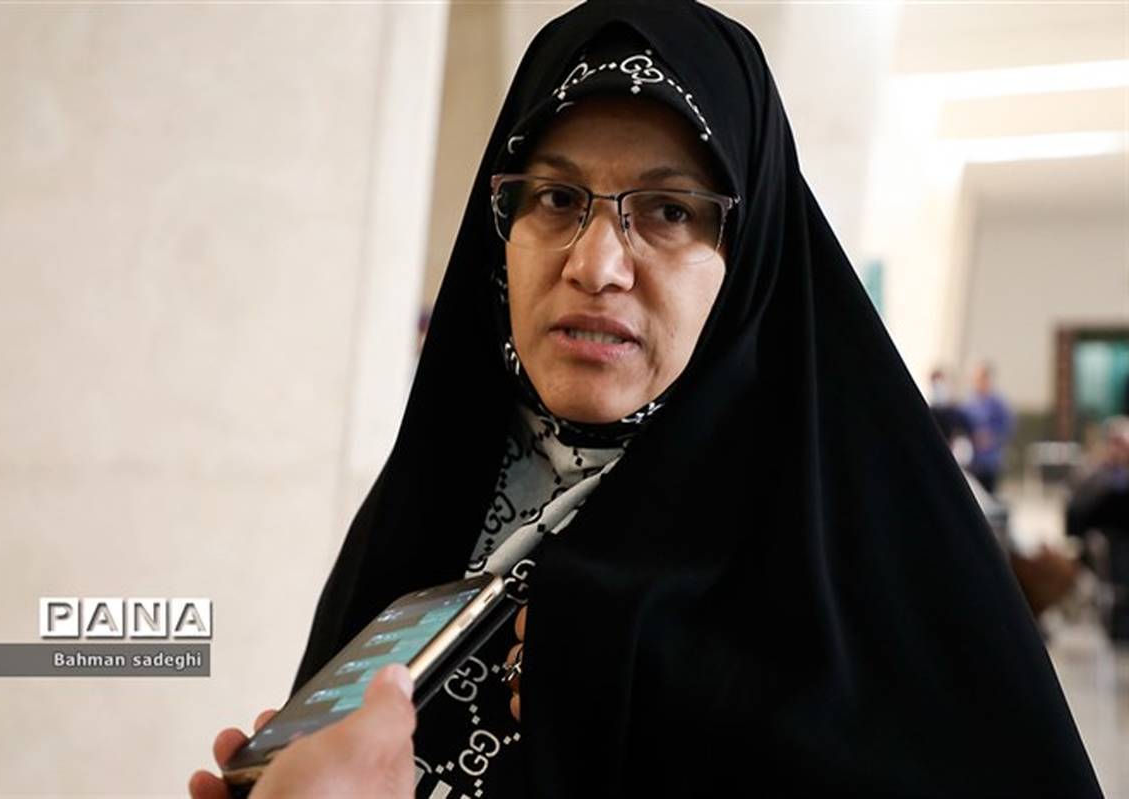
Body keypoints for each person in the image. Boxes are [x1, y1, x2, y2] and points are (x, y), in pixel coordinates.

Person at [193, 1, 1102, 795]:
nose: (596, 265)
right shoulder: (426, 508)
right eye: (556, 197)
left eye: (670, 211)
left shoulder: (859, 575)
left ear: (748, 256)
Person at [962, 360, 1015, 494]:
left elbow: (1007, 428)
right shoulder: (970, 402)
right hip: (972, 460)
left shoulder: (998, 403)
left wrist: (991, 438)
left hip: (990, 461)